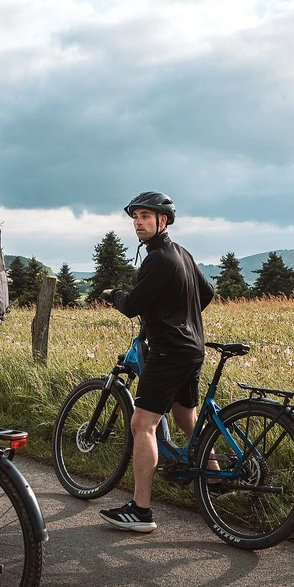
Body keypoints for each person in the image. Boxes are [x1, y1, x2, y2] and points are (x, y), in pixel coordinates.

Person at [97, 192, 214, 533]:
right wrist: (179, 314)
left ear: (163, 221)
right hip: (192, 347)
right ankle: (215, 477)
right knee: (184, 416)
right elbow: (207, 293)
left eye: (146, 216)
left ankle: (141, 510)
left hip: (168, 351)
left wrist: (112, 296)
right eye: (135, 216)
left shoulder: (159, 258)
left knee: (142, 424)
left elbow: (133, 304)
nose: (138, 222)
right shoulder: (182, 254)